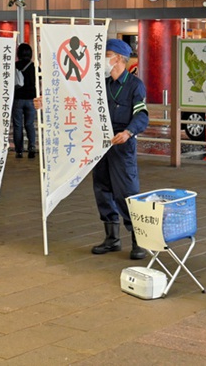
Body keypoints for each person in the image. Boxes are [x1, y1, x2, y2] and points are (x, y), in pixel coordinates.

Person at [36, 39, 149, 259]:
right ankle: (112, 238)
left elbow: (142, 114)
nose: (102, 59)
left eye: (106, 54)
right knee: (102, 189)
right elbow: (75, 101)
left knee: (127, 192)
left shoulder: (135, 85)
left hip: (122, 144)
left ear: (118, 58)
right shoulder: (99, 83)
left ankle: (139, 240)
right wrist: (47, 102)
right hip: (99, 143)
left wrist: (128, 132)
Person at [13, 43, 37, 159]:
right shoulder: (34, 67)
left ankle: (19, 151)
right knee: (29, 124)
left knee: (18, 126)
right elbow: (40, 82)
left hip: (17, 99)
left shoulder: (14, 66)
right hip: (31, 99)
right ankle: (32, 146)